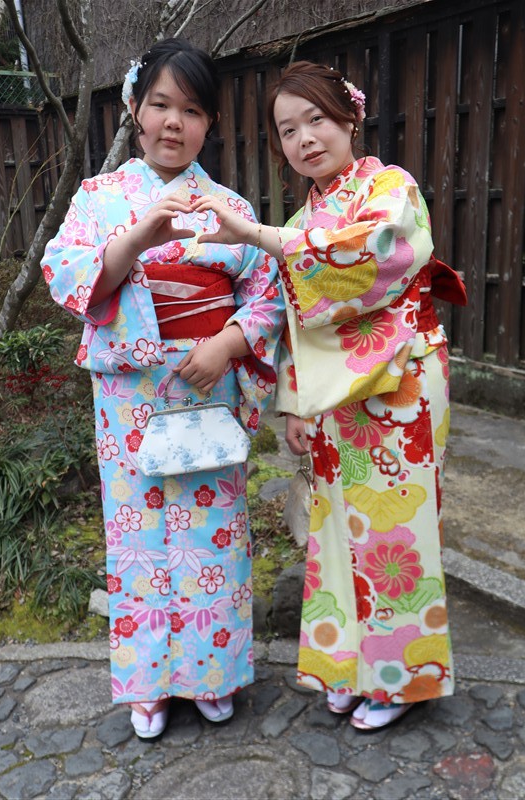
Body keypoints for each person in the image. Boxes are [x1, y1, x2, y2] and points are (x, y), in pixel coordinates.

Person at [190, 60, 466, 730]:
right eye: (288, 130)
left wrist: (258, 236)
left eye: (316, 119)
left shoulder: (390, 187)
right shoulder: (303, 217)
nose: (305, 138)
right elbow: (296, 321)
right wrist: (292, 402)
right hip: (332, 397)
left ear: (350, 117)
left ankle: (399, 680)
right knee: (338, 528)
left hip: (399, 381)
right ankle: (349, 667)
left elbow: (371, 256)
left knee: (393, 530)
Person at [41, 38, 285, 740]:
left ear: (211, 123)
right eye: (160, 105)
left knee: (214, 535)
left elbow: (267, 292)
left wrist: (228, 344)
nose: (174, 122)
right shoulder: (99, 199)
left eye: (192, 110)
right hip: (132, 391)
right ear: (134, 110)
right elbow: (67, 274)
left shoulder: (229, 206)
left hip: (209, 384)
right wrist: (137, 237)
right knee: (139, 538)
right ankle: (148, 684)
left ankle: (212, 673)